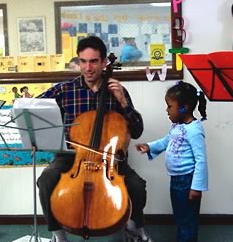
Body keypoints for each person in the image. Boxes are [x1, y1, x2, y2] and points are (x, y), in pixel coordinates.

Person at [37, 36, 153, 242]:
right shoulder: (65, 90)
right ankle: (58, 235)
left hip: (108, 158)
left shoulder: (117, 91)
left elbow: (137, 131)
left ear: (103, 63)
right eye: (83, 61)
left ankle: (133, 228)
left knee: (137, 185)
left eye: (93, 61)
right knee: (46, 180)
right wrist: (37, 136)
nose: (88, 67)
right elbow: (35, 110)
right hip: (72, 156)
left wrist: (123, 102)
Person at [136, 81, 208, 242]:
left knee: (187, 221)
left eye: (170, 106)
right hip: (176, 180)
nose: (167, 110)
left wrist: (196, 187)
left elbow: (201, 160)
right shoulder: (177, 126)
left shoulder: (194, 130)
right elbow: (166, 141)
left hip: (187, 182)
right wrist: (149, 146)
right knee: (181, 218)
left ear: (184, 108)